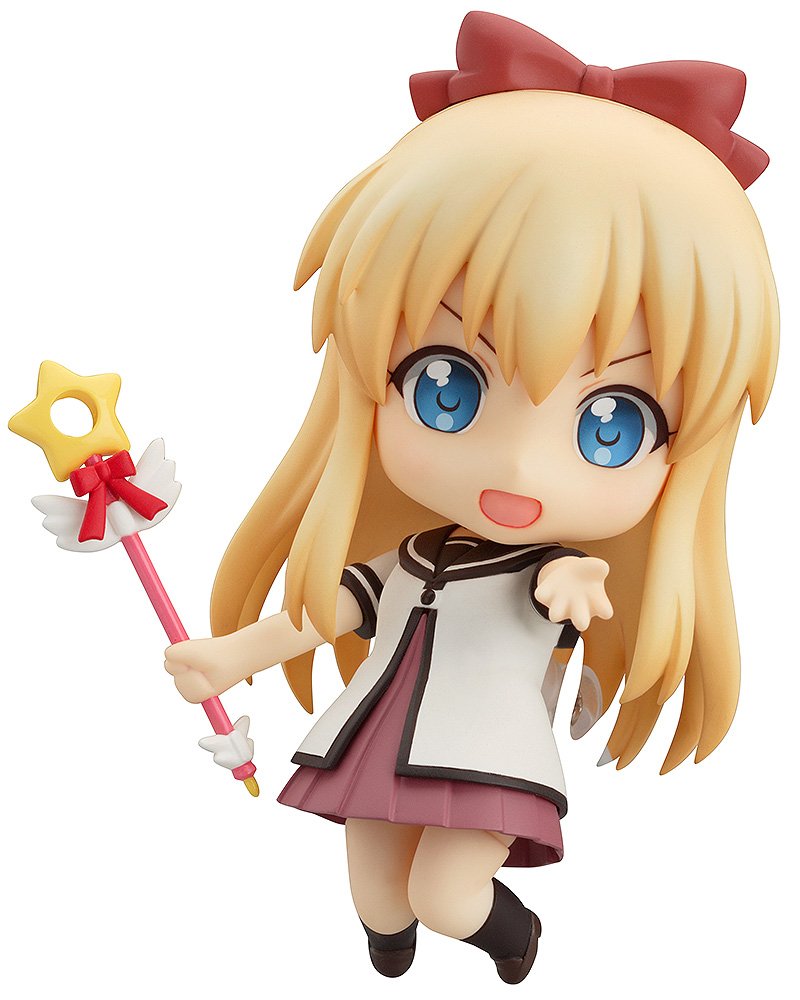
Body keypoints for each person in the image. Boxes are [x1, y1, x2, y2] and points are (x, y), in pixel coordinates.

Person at [164, 12, 778, 985]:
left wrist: (576, 586)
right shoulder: (407, 558)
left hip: (485, 753)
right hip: (376, 734)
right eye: (445, 386)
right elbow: (326, 610)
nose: (520, 469)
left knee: (446, 893)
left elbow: (573, 589)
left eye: (609, 425)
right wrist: (228, 655)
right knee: (376, 894)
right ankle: (388, 946)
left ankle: (510, 934)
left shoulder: (553, 573)